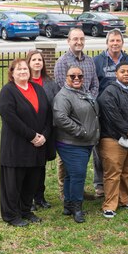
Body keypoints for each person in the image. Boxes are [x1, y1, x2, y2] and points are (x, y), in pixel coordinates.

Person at [0, 58, 51, 227]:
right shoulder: (8, 91)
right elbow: (10, 117)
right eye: (19, 69)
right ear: (12, 73)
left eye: (25, 69)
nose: (23, 72)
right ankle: (11, 215)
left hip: (38, 146)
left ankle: (26, 210)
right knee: (14, 183)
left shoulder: (38, 89)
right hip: (16, 145)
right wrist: (32, 136)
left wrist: (44, 135)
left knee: (32, 181)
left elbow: (48, 114)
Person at [92, 29, 128, 198]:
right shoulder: (97, 61)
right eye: (112, 40)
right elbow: (93, 85)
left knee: (125, 148)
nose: (115, 43)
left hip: (127, 115)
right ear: (107, 43)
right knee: (102, 149)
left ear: (122, 43)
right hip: (103, 113)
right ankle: (100, 184)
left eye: (118, 40)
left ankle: (120, 185)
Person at [97, 62, 128, 219]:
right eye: (122, 71)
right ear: (116, 74)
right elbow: (113, 116)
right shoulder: (109, 92)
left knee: (127, 171)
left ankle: (124, 199)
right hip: (113, 138)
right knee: (113, 172)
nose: (126, 74)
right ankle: (109, 205)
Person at [54, 27, 99, 201]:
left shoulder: (89, 61)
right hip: (70, 113)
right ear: (68, 41)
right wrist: (78, 104)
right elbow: (61, 89)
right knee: (66, 159)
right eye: (75, 39)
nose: (78, 42)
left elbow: (95, 85)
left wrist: (88, 102)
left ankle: (78, 190)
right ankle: (65, 193)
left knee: (82, 157)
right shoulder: (62, 62)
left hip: (88, 113)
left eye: (81, 39)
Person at [53, 66, 100, 223]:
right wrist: (82, 132)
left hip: (85, 142)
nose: (76, 78)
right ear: (66, 77)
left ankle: (68, 205)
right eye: (72, 76)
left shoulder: (82, 91)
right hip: (71, 143)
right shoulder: (63, 96)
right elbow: (60, 118)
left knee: (71, 175)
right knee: (78, 176)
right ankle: (77, 208)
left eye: (80, 75)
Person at [27, 49, 60, 211]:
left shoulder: (50, 83)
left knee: (41, 166)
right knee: (29, 167)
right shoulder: (24, 82)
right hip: (29, 132)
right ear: (28, 63)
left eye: (40, 60)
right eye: (34, 60)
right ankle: (28, 198)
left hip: (46, 131)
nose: (37, 62)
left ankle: (40, 197)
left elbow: (56, 106)